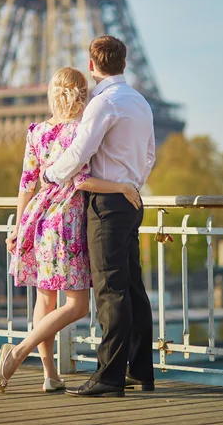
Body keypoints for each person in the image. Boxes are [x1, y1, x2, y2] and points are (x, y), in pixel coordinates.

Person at [0, 66, 141, 394]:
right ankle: (19, 352)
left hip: (37, 219)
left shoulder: (36, 132)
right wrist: (120, 187)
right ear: (82, 94)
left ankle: (50, 376)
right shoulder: (79, 131)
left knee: (45, 299)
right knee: (77, 305)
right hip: (66, 222)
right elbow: (81, 180)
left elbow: (26, 185)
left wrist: (19, 229)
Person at [40, 35, 156, 398]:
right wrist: (131, 183)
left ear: (92, 67)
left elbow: (79, 151)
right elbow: (149, 155)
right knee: (133, 288)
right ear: (124, 63)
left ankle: (109, 376)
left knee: (110, 291)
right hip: (131, 200)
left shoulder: (103, 103)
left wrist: (49, 175)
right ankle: (140, 370)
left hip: (105, 206)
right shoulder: (139, 102)